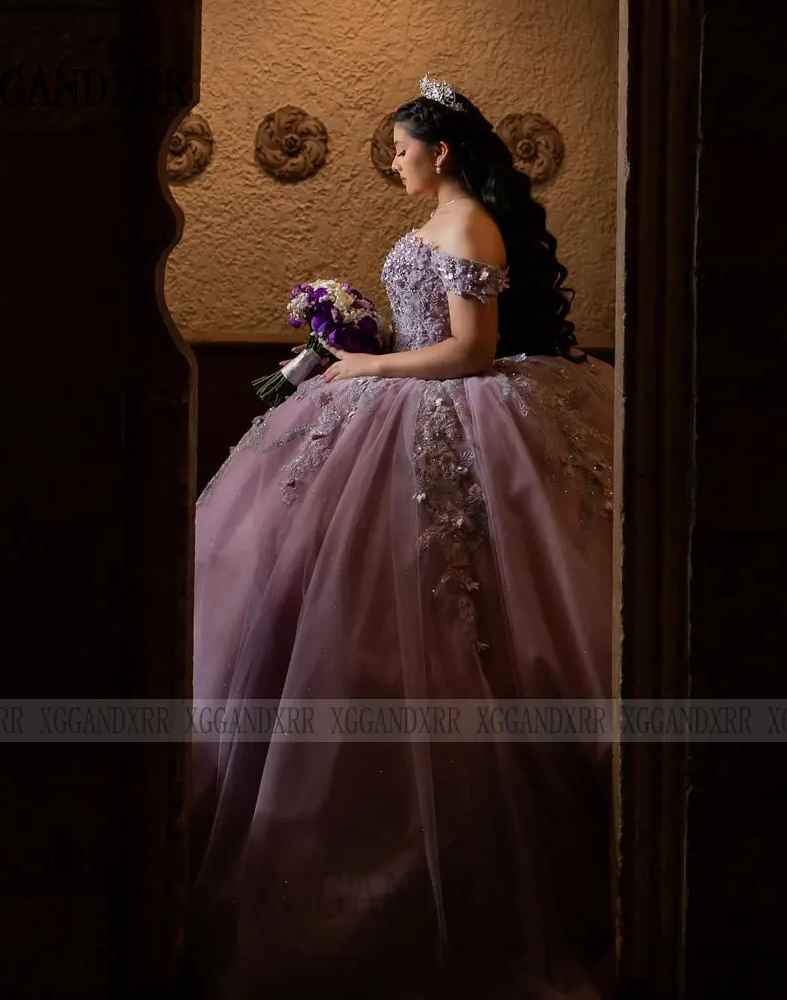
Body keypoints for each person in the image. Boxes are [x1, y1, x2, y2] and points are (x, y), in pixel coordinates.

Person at [186, 74, 615, 1000]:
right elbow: (434, 331)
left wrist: (374, 362)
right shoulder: (440, 225)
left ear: (443, 151)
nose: (392, 159)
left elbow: (470, 351)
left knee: (443, 610)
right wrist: (353, 342)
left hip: (453, 411)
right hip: (399, 397)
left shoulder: (467, 225)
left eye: (400, 146)